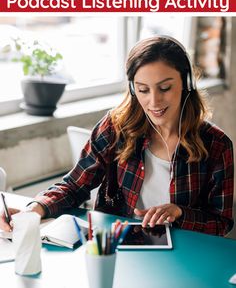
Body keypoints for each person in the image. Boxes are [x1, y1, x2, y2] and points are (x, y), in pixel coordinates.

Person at [0, 36, 234, 236]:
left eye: (165, 88)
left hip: (186, 253)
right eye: (143, 90)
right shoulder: (115, 128)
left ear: (187, 84)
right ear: (133, 89)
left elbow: (221, 223)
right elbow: (75, 185)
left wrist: (180, 213)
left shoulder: (216, 145)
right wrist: (34, 208)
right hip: (116, 246)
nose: (154, 101)